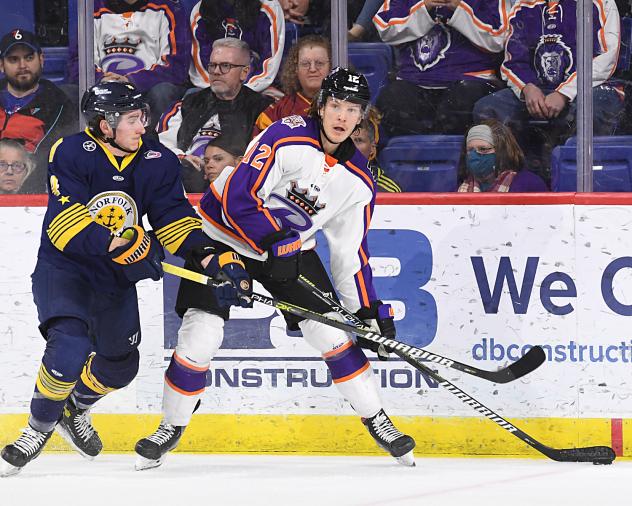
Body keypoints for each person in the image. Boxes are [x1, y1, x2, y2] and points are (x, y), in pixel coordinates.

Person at [134, 67, 416, 470]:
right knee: (201, 332)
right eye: (335, 105)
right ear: (321, 105)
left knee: (333, 333)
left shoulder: (359, 183)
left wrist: (366, 311)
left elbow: (350, 254)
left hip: (288, 252)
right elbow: (239, 196)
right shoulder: (285, 134)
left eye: (351, 110)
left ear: (361, 117)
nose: (341, 117)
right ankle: (171, 425)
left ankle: (377, 418)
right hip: (225, 238)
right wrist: (270, 238)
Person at [0, 81, 252, 477]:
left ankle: (75, 409)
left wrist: (210, 255)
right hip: (65, 270)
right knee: (69, 346)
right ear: (105, 124)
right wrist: (119, 241)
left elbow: (172, 218)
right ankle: (37, 429)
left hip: (113, 277)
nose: (142, 127)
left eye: (143, 118)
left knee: (121, 365)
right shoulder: (69, 152)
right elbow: (66, 222)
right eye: (133, 120)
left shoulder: (157, 159)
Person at [472, 0, 622, 177]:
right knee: (487, 109)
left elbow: (607, 56)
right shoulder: (524, 5)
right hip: (539, 91)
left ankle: (574, 177)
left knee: (593, 109)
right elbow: (513, 61)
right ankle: (517, 178)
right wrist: (526, 87)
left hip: (589, 88)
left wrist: (564, 92)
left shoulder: (599, 2)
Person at [373, 0, 510, 136]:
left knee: (464, 99)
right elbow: (385, 29)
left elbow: (498, 39)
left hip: (470, 79)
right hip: (413, 80)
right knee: (391, 99)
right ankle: (420, 155)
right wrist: (424, 7)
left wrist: (459, 9)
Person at [157, 38, 272, 185]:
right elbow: (161, 143)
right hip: (186, 178)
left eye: (225, 66)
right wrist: (182, 157)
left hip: (237, 184)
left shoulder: (263, 108)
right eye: (212, 65)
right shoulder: (188, 103)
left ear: (244, 72)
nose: (216, 72)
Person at [68, 0, 192, 129]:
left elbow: (176, 68)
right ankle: (81, 146)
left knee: (163, 92)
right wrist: (102, 79)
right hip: (103, 89)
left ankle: (155, 145)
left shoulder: (169, 9)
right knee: (68, 93)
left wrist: (131, 80)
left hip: (146, 91)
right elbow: (77, 63)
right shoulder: (91, 10)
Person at [0, 29, 76, 193]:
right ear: (1, 65)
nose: (22, 65)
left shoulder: (59, 104)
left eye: (29, 57)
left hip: (34, 192)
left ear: (41, 59)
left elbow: (55, 161)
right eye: (14, 59)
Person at [189, 0, 285, 94]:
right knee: (191, 97)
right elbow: (201, 68)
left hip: (257, 88)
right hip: (212, 90)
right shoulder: (200, 11)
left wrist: (242, 92)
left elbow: (269, 63)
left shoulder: (269, 7)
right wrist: (219, 90)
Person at [253, 34, 331, 136]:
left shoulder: (346, 106)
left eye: (319, 63)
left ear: (331, 66)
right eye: (305, 64)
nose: (312, 69)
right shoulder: (278, 111)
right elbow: (259, 147)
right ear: (295, 69)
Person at [457, 120, 548, 192]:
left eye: (483, 149)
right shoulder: (459, 189)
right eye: (470, 150)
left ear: (502, 151)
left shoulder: (530, 184)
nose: (473, 156)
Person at [351, 113, 402, 192]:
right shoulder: (326, 181)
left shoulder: (388, 190)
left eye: (359, 140)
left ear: (372, 149)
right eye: (345, 141)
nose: (350, 146)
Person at [181, 134, 248, 192]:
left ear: (239, 162)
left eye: (218, 159)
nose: (209, 165)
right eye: (206, 161)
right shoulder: (195, 192)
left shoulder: (256, 193)